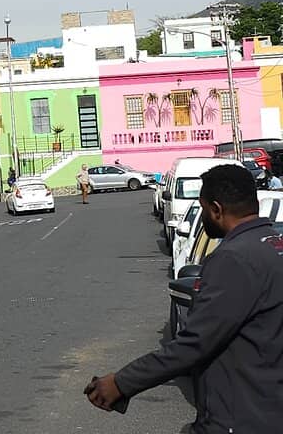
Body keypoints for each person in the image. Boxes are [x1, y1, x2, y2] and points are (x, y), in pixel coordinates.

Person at [86, 163, 283, 433]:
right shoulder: (274, 246)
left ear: (216, 209)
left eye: (202, 209)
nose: (203, 217)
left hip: (238, 419)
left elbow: (193, 344)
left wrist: (120, 383)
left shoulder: (233, 259)